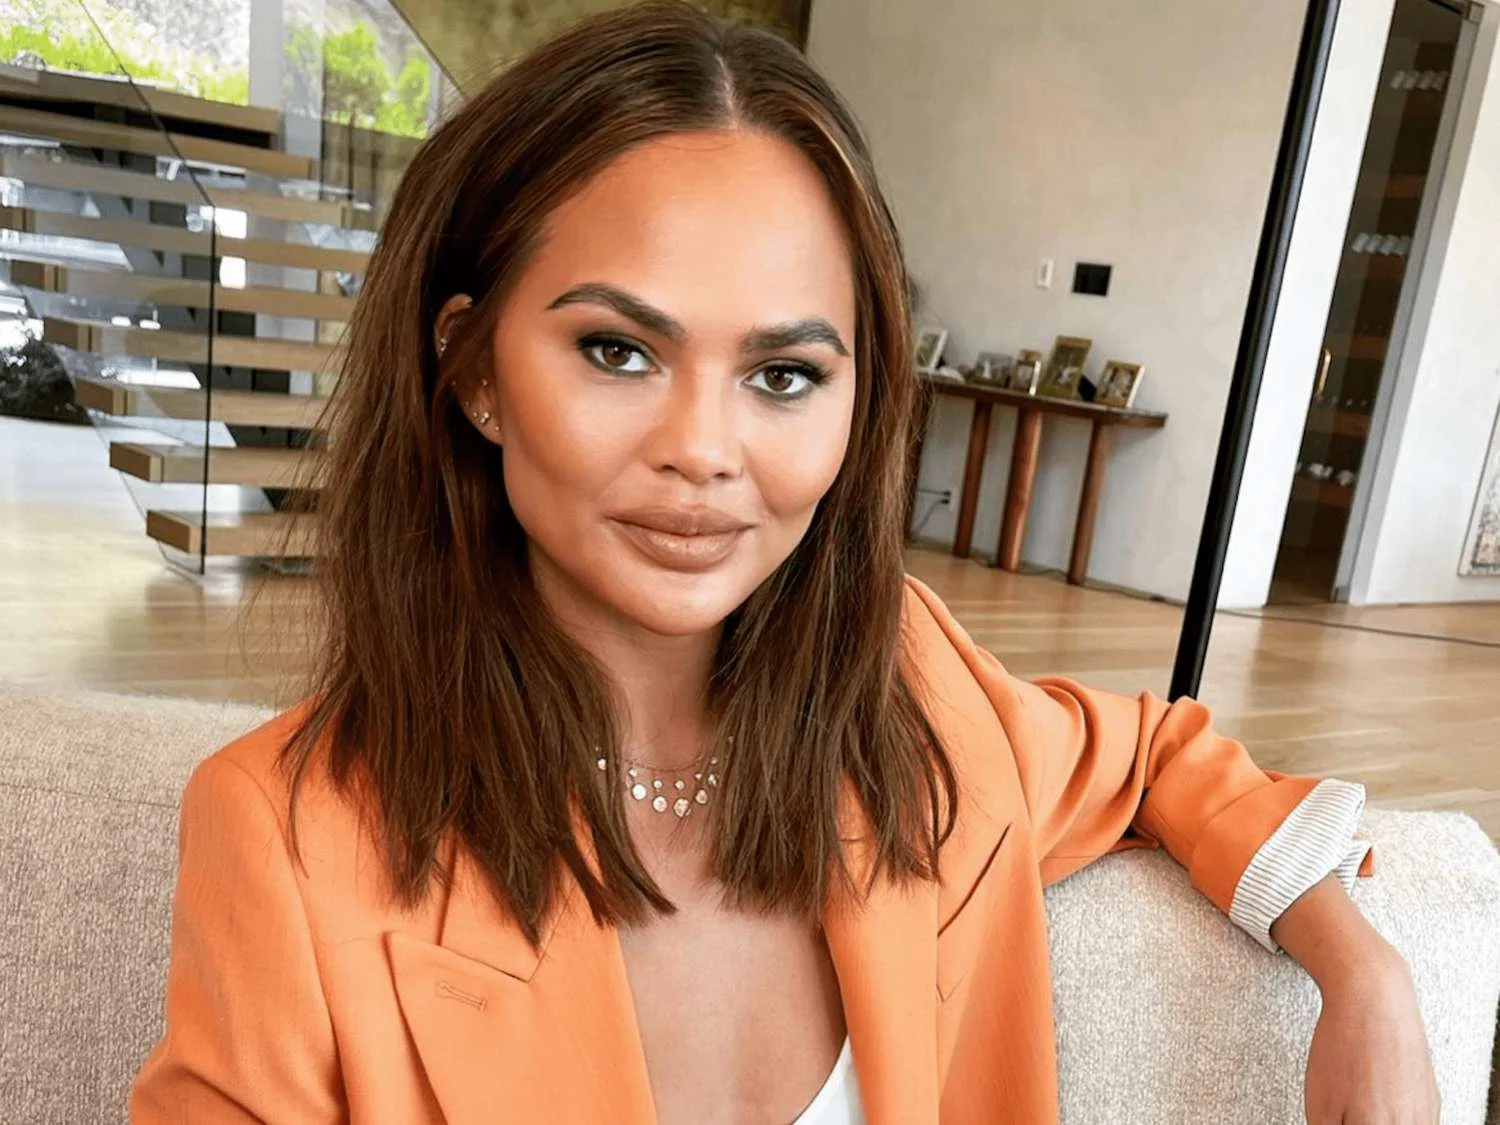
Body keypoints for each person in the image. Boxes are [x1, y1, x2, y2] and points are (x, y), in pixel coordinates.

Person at [129, 4, 1440, 1123]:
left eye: (784, 375)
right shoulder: (288, 836)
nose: (705, 452)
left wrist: (1363, 976)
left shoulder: (916, 687)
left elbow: (1154, 757)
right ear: (473, 369)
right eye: (617, 352)